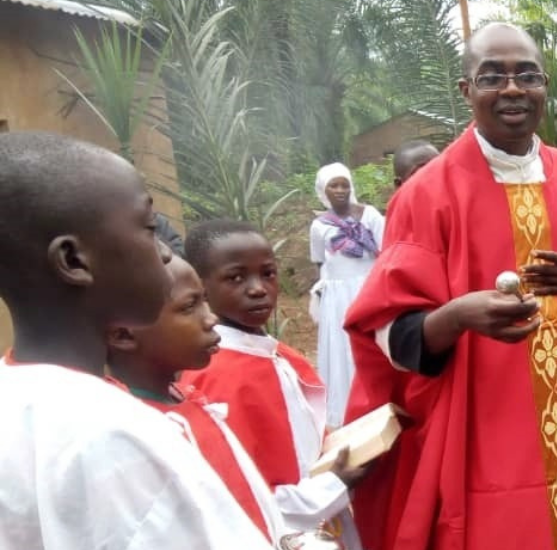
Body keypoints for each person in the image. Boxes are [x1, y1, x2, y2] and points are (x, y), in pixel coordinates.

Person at [341, 23, 557, 550]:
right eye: (492, 76)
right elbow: (385, 330)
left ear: (545, 87)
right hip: (487, 427)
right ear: (465, 90)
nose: (513, 88)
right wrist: (455, 318)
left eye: (528, 75)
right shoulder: (427, 195)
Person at [0, 131, 269, 548]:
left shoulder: (21, 400)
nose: (165, 254)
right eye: (148, 228)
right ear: (74, 261)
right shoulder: (111, 437)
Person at [181, 220, 367, 548]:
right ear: (200, 286)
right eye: (236, 277)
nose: (257, 288)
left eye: (267, 273)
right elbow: (237, 494)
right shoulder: (210, 375)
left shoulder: (281, 356)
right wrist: (331, 486)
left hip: (324, 520)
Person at [105, 255, 291, 544]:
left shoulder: (183, 399)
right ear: (124, 334)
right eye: (189, 307)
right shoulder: (139, 435)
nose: (211, 318)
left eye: (205, 300)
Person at [309, 162, 386, 429]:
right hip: (338, 295)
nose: (340, 190)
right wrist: (322, 293)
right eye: (333, 185)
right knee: (342, 346)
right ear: (323, 191)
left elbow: (386, 250)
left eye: (344, 184)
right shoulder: (319, 226)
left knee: (374, 342)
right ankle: (348, 408)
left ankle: (380, 399)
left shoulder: (370, 215)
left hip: (369, 286)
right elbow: (320, 262)